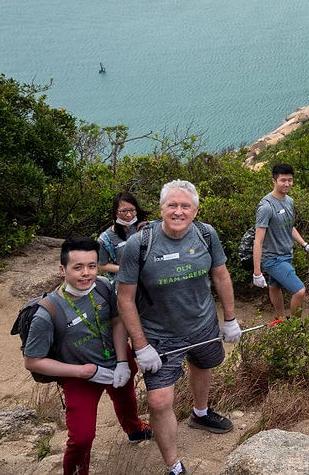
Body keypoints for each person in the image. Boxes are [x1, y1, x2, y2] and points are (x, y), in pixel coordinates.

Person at [117, 180, 240, 475]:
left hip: (202, 324)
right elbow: (125, 298)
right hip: (159, 335)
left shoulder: (206, 234)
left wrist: (230, 318)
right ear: (161, 208)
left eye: (185, 206)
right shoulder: (140, 244)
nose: (178, 211)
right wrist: (141, 345)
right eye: (172, 205)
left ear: (195, 210)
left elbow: (221, 276)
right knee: (159, 402)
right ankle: (174, 466)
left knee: (203, 364)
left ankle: (200, 413)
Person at [23, 237, 151, 475]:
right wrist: (83, 371)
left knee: (126, 400)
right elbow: (32, 360)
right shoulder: (47, 313)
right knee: (81, 438)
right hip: (79, 377)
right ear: (62, 269)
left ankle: (135, 430)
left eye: (91, 266)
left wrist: (123, 361)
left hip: (116, 361)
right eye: (78, 267)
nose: (86, 274)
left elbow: (116, 320)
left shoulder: (102, 286)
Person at [251, 163, 309, 319]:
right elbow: (258, 241)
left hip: (286, 254)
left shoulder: (289, 201)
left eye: (290, 180)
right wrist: (257, 272)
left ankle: (280, 319)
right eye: (283, 180)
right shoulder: (266, 206)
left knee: (274, 287)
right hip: (273, 259)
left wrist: (305, 244)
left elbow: (290, 227)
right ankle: (295, 327)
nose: (287, 184)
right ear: (274, 181)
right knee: (299, 291)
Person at [97, 192, 149, 282]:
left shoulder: (147, 228)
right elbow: (102, 265)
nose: (129, 215)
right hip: (125, 282)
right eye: (124, 211)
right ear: (115, 212)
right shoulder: (105, 239)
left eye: (132, 210)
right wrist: (126, 269)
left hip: (149, 279)